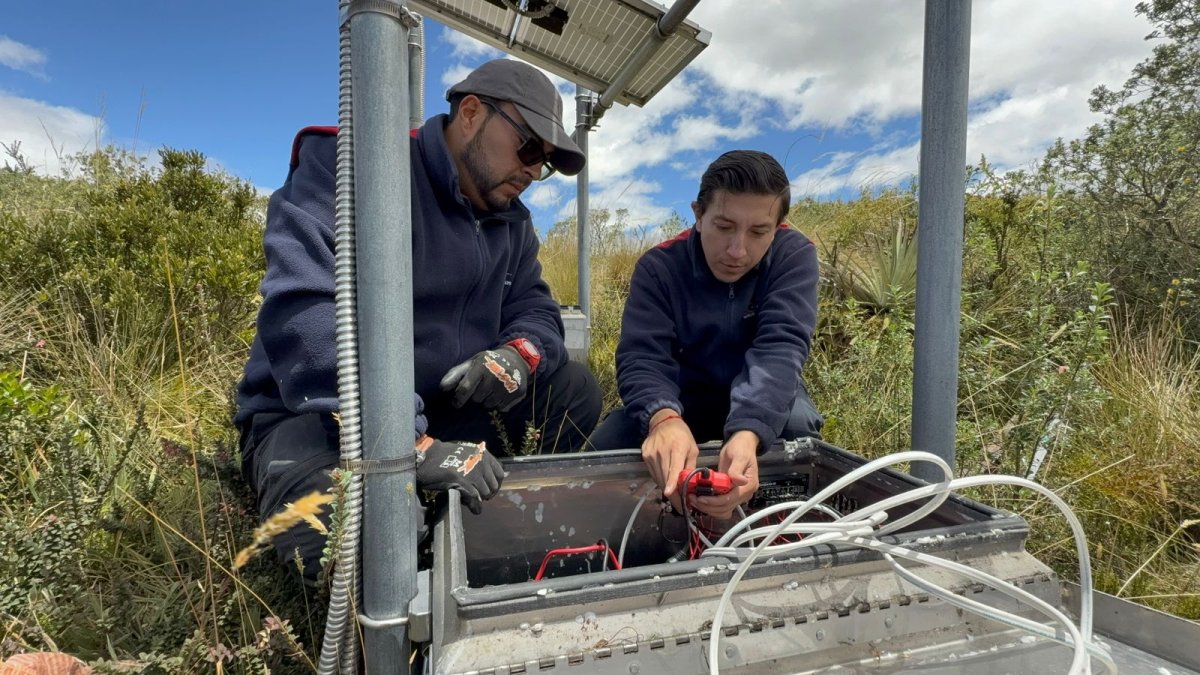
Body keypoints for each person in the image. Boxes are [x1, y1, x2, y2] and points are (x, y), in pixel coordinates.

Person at [235, 58, 603, 582]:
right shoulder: (349, 166)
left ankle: (488, 527)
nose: (532, 170)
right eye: (528, 148)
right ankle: (412, 534)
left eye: (543, 162)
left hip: (440, 409)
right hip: (318, 420)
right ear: (472, 113)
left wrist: (517, 356)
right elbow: (304, 312)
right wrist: (406, 446)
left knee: (575, 390)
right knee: (362, 541)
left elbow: (535, 309)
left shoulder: (512, 224)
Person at [587, 150, 823, 519]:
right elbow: (642, 356)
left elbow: (781, 349)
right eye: (724, 226)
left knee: (797, 429)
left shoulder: (795, 256)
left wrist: (749, 432)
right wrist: (663, 418)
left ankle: (777, 528)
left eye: (759, 231)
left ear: (777, 227)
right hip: (682, 400)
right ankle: (627, 535)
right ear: (698, 215)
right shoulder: (659, 267)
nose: (737, 250)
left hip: (764, 397)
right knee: (608, 442)